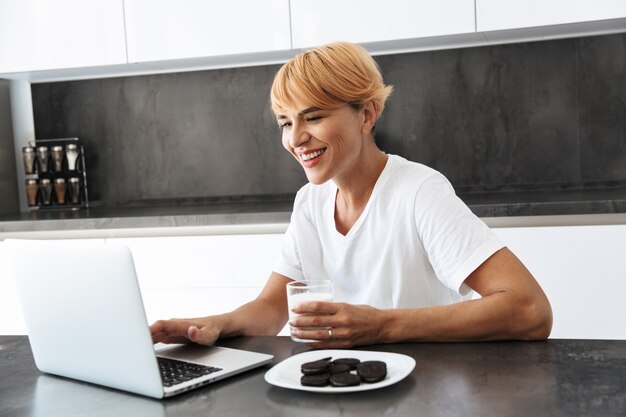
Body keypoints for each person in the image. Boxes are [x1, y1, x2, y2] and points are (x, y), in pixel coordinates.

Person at [151, 42, 553, 348]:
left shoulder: (418, 192)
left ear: (367, 114)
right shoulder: (311, 202)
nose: (296, 138)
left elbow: (530, 309)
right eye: (285, 122)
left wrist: (381, 325)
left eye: (314, 117)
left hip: (427, 389)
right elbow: (273, 308)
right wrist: (213, 324)